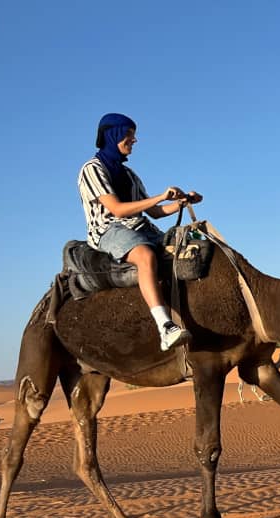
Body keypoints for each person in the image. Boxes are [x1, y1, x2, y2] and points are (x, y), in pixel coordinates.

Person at [78, 113, 198, 352]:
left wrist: (183, 202)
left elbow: (154, 212)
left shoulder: (130, 175)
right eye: (129, 135)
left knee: (192, 246)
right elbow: (117, 210)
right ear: (114, 135)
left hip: (141, 226)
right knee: (145, 256)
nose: (134, 141)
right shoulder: (92, 169)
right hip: (109, 229)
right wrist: (162, 196)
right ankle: (165, 327)